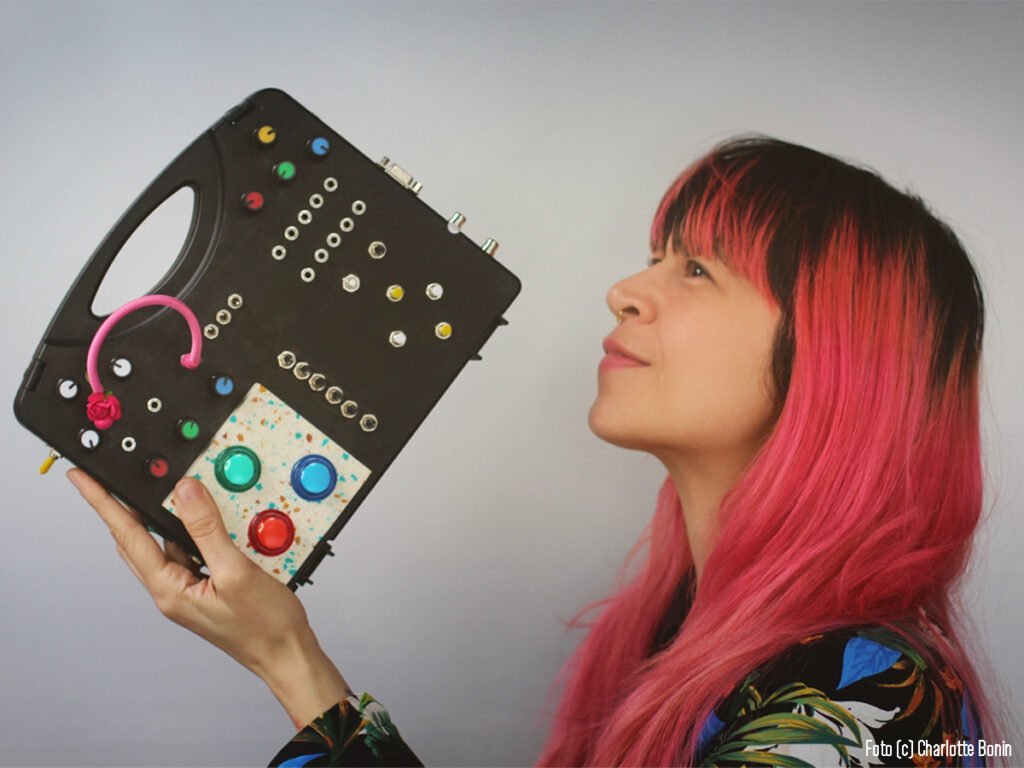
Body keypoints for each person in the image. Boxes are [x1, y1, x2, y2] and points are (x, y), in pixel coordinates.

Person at [68, 135, 1005, 767]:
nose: (625, 290)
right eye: (656, 254)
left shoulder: (875, 707)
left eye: (696, 268)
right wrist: (287, 655)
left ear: (836, 355)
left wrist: (287, 660)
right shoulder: (682, 633)